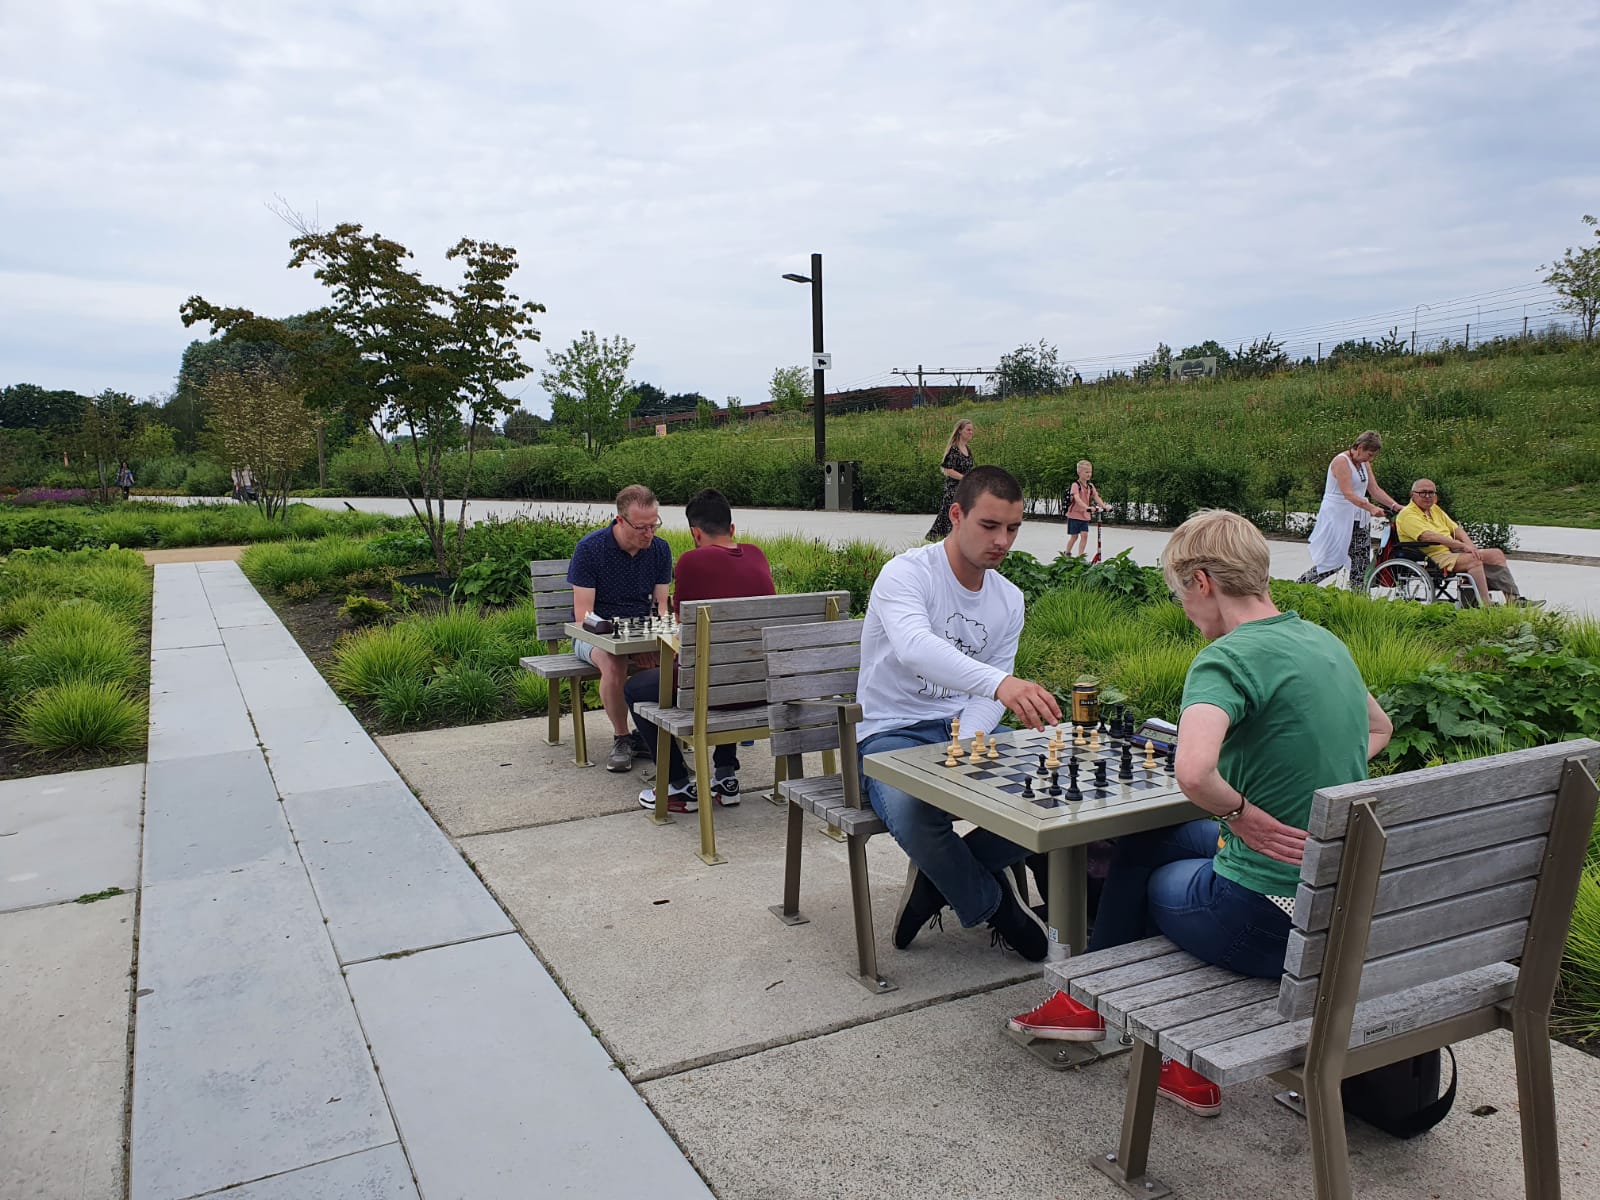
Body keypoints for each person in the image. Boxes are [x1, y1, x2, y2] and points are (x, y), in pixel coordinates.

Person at [1007, 509, 1393, 1117]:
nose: (1184, 608)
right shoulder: (1325, 642)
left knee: (1149, 874)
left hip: (1264, 921)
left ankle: (1117, 1021)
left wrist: (1241, 813)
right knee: (1156, 837)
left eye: (1180, 593)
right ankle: (1095, 1009)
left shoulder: (1225, 660)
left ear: (1203, 582)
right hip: (1337, 908)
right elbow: (1379, 728)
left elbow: (1192, 772)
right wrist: (1303, 772)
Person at [862, 465, 1063, 962]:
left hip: (962, 732)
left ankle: (934, 887)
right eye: (989, 525)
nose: (1002, 541)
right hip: (890, 732)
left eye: (1012, 528)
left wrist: (969, 737)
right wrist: (999, 683)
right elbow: (915, 647)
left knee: (1051, 792)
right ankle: (999, 909)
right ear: (956, 514)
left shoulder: (1008, 598)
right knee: (915, 813)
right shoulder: (907, 574)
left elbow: (987, 697)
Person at [626, 489, 776, 812]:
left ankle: (677, 784)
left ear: (695, 533)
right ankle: (725, 776)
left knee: (635, 689)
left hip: (711, 691)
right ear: (732, 528)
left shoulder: (691, 562)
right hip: (761, 687)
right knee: (728, 666)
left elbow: (684, 628)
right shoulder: (757, 555)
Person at [568, 484, 675, 772]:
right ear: (620, 520)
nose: (649, 534)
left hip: (640, 633)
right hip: (595, 634)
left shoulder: (660, 550)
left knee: (675, 659)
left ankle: (659, 732)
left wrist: (651, 642)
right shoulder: (590, 549)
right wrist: (627, 646)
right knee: (613, 661)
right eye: (641, 528)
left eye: (654, 525)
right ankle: (622, 736)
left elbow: (661, 607)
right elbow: (584, 615)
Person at [1394, 479, 1539, 606]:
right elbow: (1427, 536)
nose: (1427, 496)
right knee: (1473, 560)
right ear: (1412, 494)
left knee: (1495, 555)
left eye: (1431, 492)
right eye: (1423, 493)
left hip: (1451, 551)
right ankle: (1485, 603)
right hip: (1432, 555)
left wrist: (1470, 546)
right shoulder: (1407, 514)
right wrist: (1460, 546)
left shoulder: (1435, 509)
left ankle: (1513, 599)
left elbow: (1456, 529)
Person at [1296, 431, 1402, 590]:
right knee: (1333, 560)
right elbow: (1348, 493)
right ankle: (1301, 586)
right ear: (1359, 447)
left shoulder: (1364, 463)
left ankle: (1358, 595)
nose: (1371, 459)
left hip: (1358, 516)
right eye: (1369, 454)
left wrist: (1394, 505)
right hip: (1338, 514)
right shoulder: (1341, 461)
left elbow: (1374, 489)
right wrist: (1371, 508)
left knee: (1361, 558)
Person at [924, 419, 975, 541]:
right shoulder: (954, 449)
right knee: (949, 518)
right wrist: (964, 478)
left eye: (972, 430)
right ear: (960, 431)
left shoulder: (967, 449)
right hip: (953, 490)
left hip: (965, 490)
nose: (971, 432)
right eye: (968, 430)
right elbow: (947, 469)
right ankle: (940, 541)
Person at [1062, 459, 1109, 558]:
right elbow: (1077, 498)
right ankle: (1067, 553)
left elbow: (1096, 497)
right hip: (1074, 515)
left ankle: (1080, 556)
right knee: (1074, 537)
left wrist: (1104, 506)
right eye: (1086, 472)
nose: (1089, 474)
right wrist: (1087, 507)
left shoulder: (1090, 486)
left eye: (1090, 472)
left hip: (1084, 516)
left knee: (1084, 535)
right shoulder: (1075, 485)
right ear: (1079, 472)